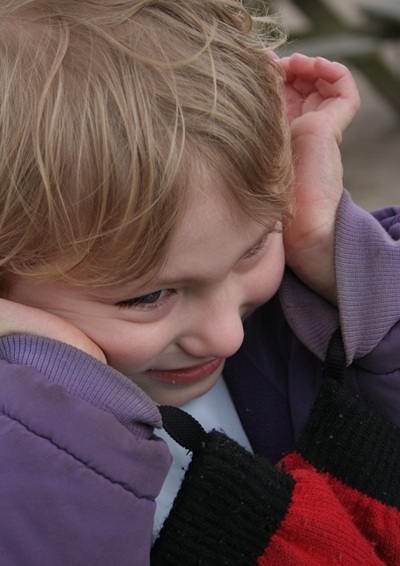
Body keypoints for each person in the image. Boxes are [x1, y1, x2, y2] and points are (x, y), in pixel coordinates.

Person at [0, 0, 399, 564]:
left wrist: (342, 258)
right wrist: (48, 401)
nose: (225, 337)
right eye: (147, 296)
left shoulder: (304, 305)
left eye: (254, 246)